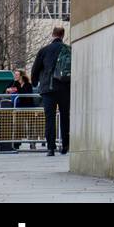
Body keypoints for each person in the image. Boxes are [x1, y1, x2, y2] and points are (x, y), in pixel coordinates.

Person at [30, 27, 71, 156]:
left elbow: (35, 69)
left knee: (50, 119)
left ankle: (51, 148)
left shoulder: (44, 50)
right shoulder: (68, 50)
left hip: (48, 89)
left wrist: (35, 83)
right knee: (65, 117)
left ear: (52, 35)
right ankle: (65, 145)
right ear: (63, 35)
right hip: (64, 88)